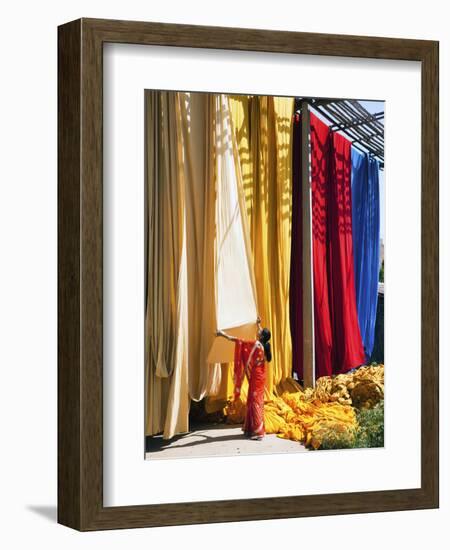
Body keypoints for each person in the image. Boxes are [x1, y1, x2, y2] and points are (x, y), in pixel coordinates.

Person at [216, 316, 272, 440]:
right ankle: (251, 428)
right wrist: (259, 324)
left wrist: (222, 334)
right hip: (260, 375)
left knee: (255, 402)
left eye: (259, 332)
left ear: (261, 336)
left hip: (256, 377)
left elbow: (238, 341)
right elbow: (262, 333)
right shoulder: (265, 345)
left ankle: (259, 432)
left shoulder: (256, 344)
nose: (258, 331)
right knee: (255, 401)